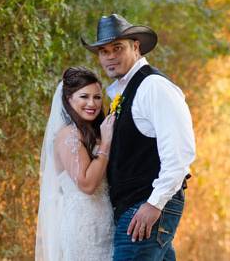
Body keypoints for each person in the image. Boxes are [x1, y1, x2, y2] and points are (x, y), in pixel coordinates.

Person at [81, 14, 196, 260]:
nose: (110, 56)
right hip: (133, 206)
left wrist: (154, 204)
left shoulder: (154, 87)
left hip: (145, 205)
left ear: (136, 47)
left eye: (117, 48)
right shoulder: (123, 92)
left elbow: (180, 153)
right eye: (103, 51)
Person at [35, 67, 116, 261]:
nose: (92, 103)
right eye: (84, 97)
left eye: (97, 97)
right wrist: (106, 143)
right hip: (84, 229)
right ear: (69, 98)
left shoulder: (97, 132)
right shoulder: (68, 135)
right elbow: (87, 184)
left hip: (107, 224)